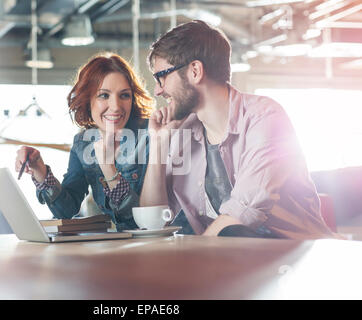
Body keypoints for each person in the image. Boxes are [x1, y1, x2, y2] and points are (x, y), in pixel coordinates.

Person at [140, 20, 336, 239]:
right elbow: (153, 222)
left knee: (231, 230)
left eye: (162, 77)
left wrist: (194, 261)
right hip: (237, 260)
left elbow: (241, 215)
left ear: (195, 71)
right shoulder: (184, 131)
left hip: (297, 257)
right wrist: (158, 143)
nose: (158, 90)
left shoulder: (264, 117)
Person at [15, 53, 153, 231]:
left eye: (124, 95)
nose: (116, 106)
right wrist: (40, 172)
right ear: (87, 100)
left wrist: (108, 167)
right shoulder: (83, 143)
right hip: (116, 249)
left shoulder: (150, 136)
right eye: (104, 95)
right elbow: (66, 210)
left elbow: (143, 222)